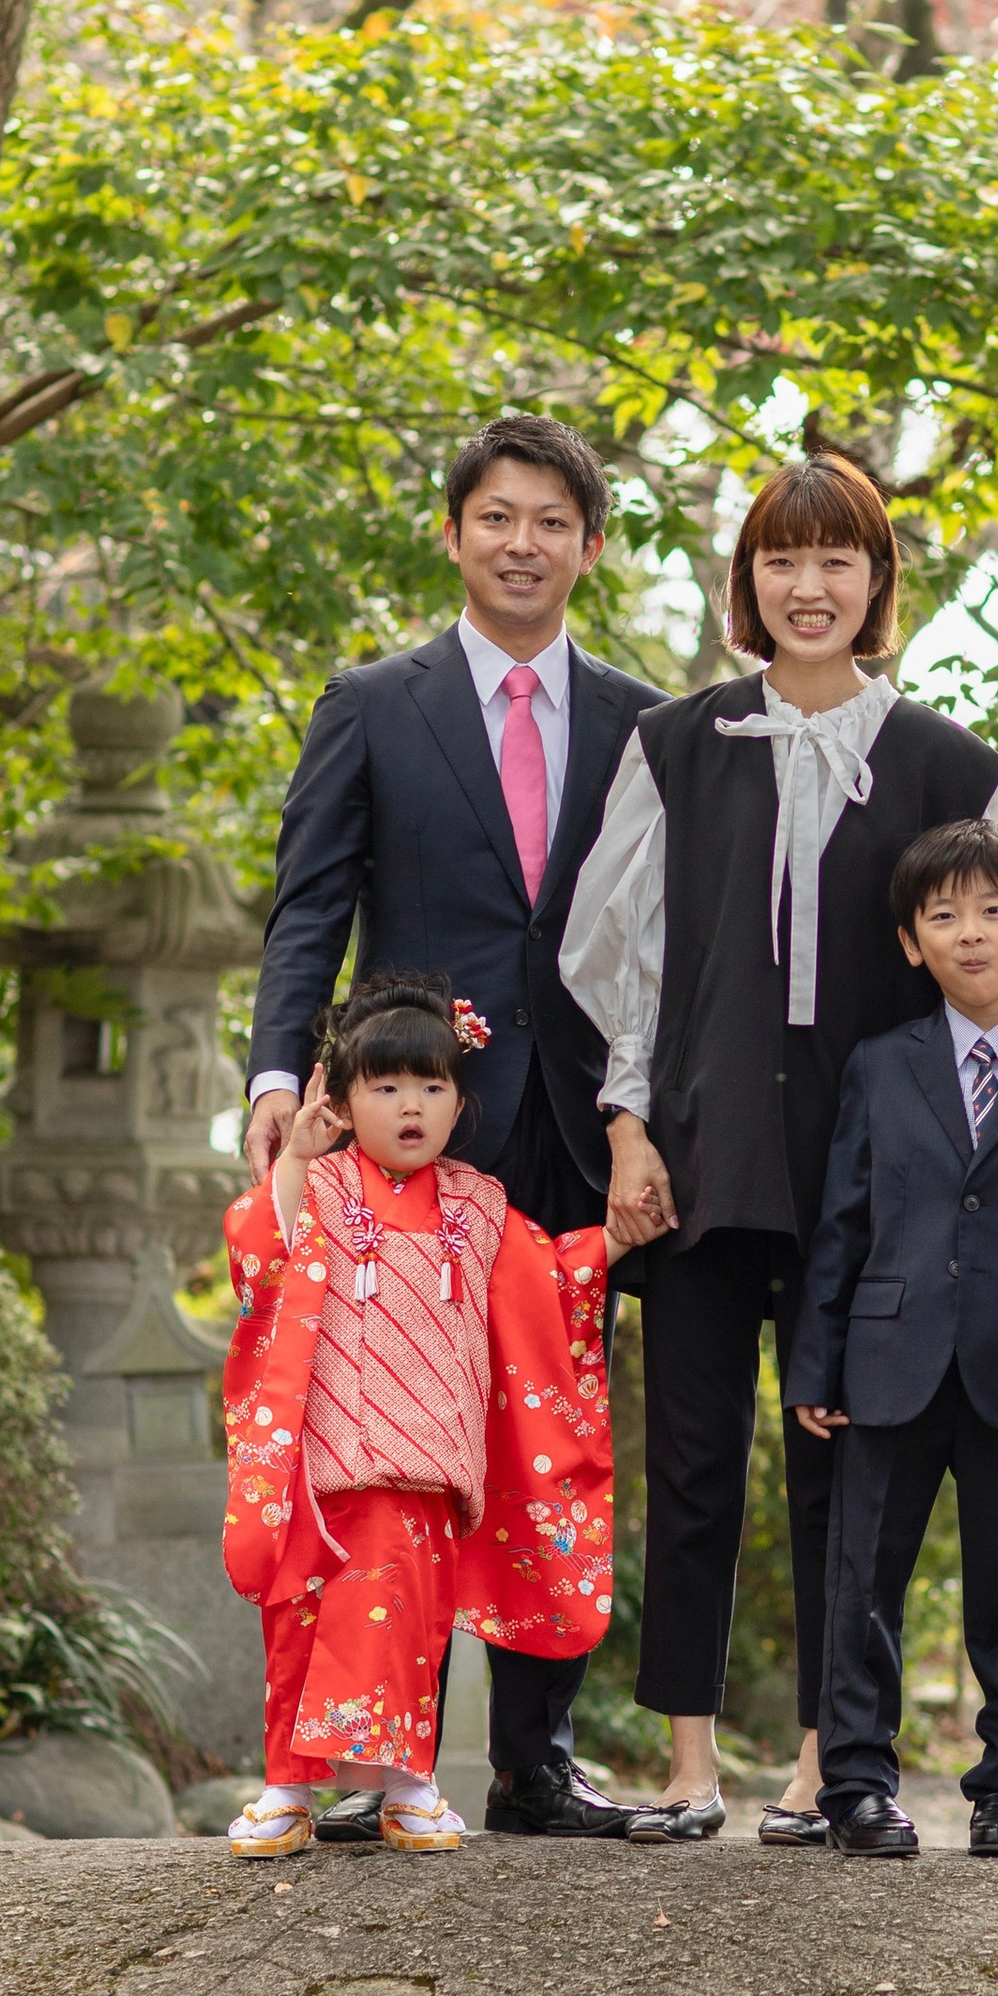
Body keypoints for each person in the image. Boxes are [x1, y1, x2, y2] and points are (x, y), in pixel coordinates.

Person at [562, 449, 998, 1844]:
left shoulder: (951, 762)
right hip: (710, 1155)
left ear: (879, 583)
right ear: (747, 584)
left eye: (838, 561)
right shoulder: (677, 748)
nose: (809, 586)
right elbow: (619, 963)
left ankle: (836, 1758)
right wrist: (630, 1126)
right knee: (696, 1456)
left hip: (884, 1181)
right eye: (782, 560)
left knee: (846, 1463)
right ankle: (691, 1760)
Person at [243, 414, 667, 1844]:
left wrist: (652, 1117)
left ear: (590, 547)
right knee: (395, 1444)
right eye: (497, 517)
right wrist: (275, 1086)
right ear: (453, 532)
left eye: (553, 521)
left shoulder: (641, 718)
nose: (523, 544)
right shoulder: (375, 700)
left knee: (552, 1428)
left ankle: (534, 1766)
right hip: (410, 1126)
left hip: (578, 1123)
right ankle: (382, 1760)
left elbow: (664, 934)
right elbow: (310, 907)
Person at [218, 978, 616, 1857]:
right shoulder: (318, 1189)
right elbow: (263, 1256)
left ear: (459, 1103)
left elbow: (547, 1280)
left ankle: (408, 1782)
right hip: (325, 1458)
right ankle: (288, 1783)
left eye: (431, 1088)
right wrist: (292, 1159)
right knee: (302, 1620)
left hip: (428, 1460)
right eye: (385, 1087)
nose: (410, 1107)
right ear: (345, 1099)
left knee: (412, 1620)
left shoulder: (476, 1207)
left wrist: (615, 1241)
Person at [785, 820, 998, 1859]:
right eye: (943, 915)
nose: (970, 934)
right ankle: (857, 1784)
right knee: (861, 1577)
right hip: (885, 1360)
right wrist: (813, 1364)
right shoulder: (879, 1065)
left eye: (993, 910)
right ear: (912, 941)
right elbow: (842, 1221)